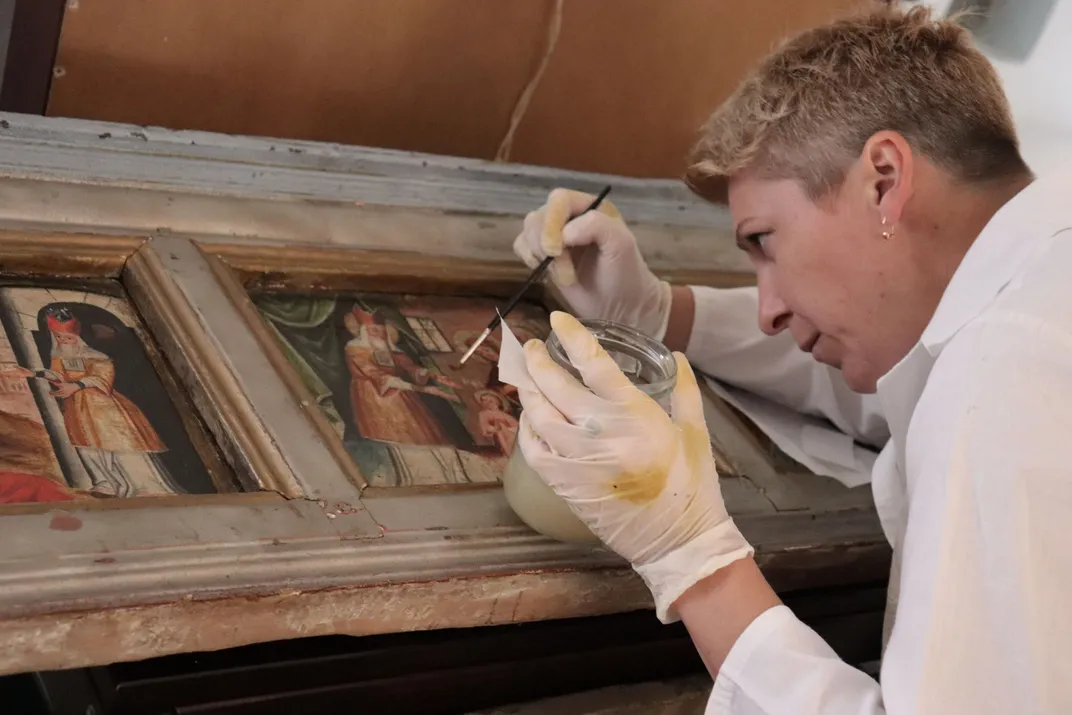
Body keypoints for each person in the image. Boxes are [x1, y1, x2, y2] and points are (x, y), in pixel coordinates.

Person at [511, 6, 1072, 714]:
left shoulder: (1008, 374)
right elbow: (892, 388)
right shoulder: (1038, 273)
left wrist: (696, 561)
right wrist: (659, 312)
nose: (768, 307)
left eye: (765, 241)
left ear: (885, 181)